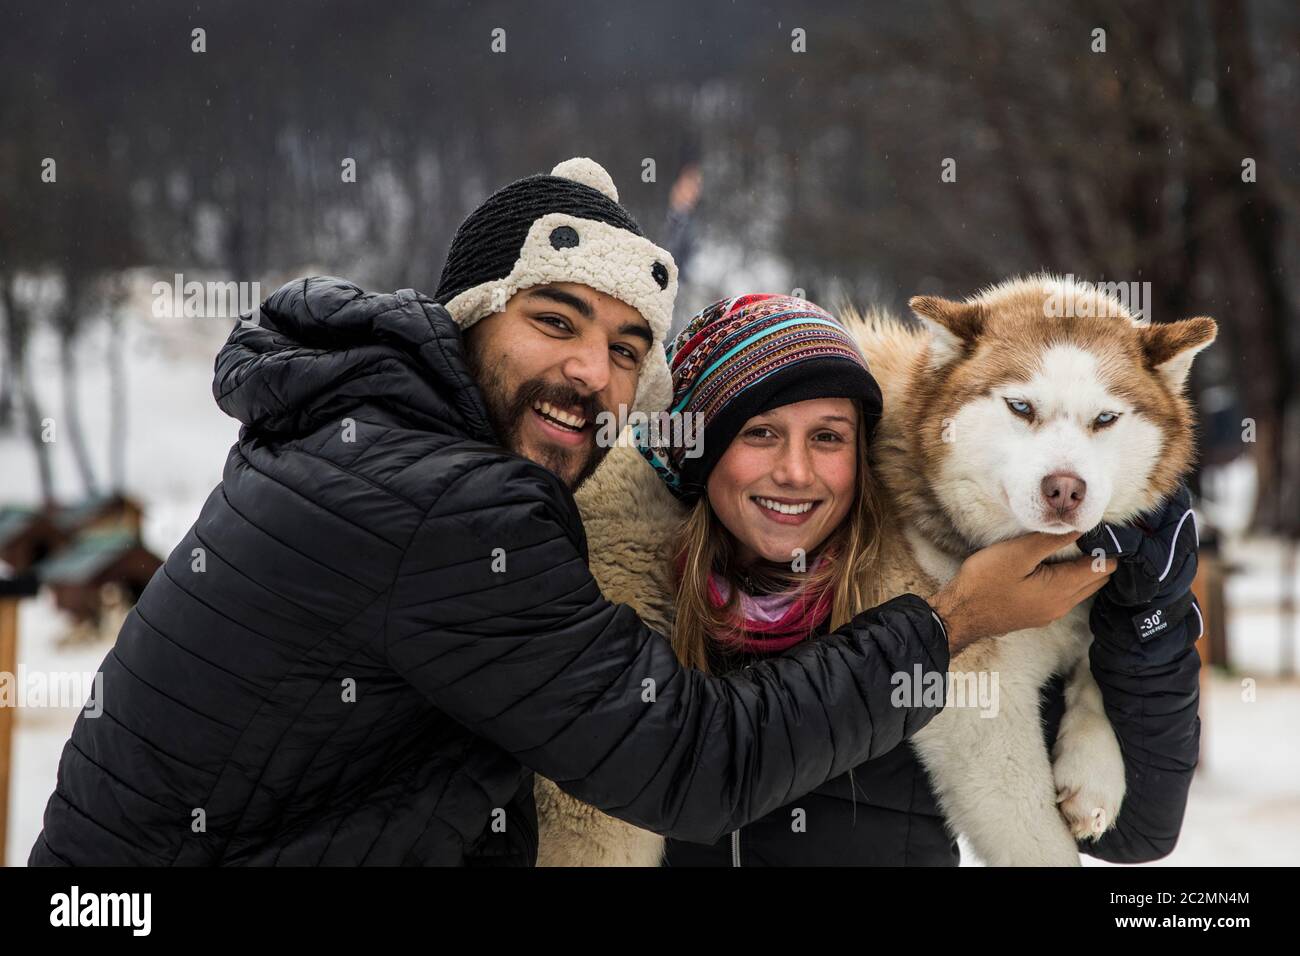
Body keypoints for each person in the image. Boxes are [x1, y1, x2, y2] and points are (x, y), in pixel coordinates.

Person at [28, 159, 1109, 867]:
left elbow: (1130, 808)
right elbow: (690, 759)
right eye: (556, 320)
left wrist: (1143, 599)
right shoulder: (444, 505)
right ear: (469, 319)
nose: (591, 372)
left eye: (626, 349)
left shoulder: (353, 436)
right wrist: (954, 618)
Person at [545, 293, 1200, 866]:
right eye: (760, 432)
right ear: (701, 449)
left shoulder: (922, 589)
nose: (795, 472)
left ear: (862, 454)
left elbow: (1136, 833)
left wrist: (1150, 622)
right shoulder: (607, 609)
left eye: (827, 438)